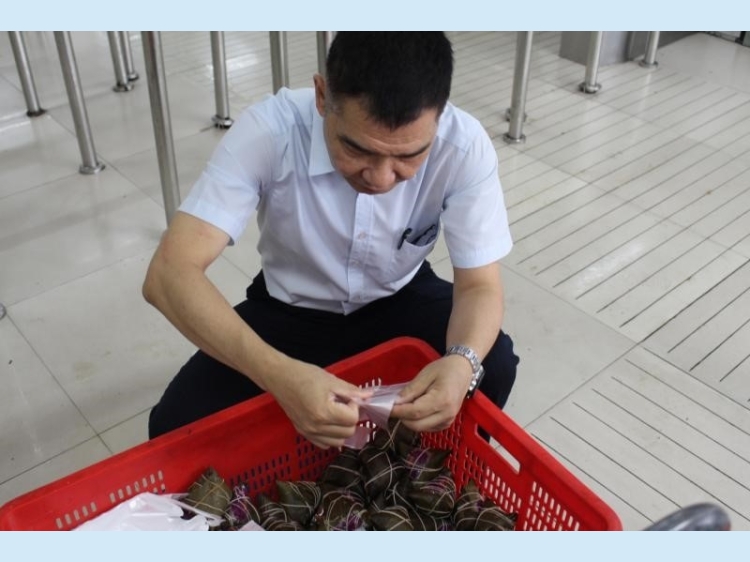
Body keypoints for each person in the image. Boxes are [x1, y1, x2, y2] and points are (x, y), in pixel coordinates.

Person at [144, 32, 519, 449]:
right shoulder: (271, 131)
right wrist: (279, 375)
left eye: (408, 156)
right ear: (323, 97)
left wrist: (462, 363)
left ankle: (425, 469)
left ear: (439, 114)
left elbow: (480, 286)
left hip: (398, 296)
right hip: (291, 309)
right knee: (174, 427)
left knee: (492, 364)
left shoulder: (463, 146)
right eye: (357, 150)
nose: (381, 178)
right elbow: (169, 273)